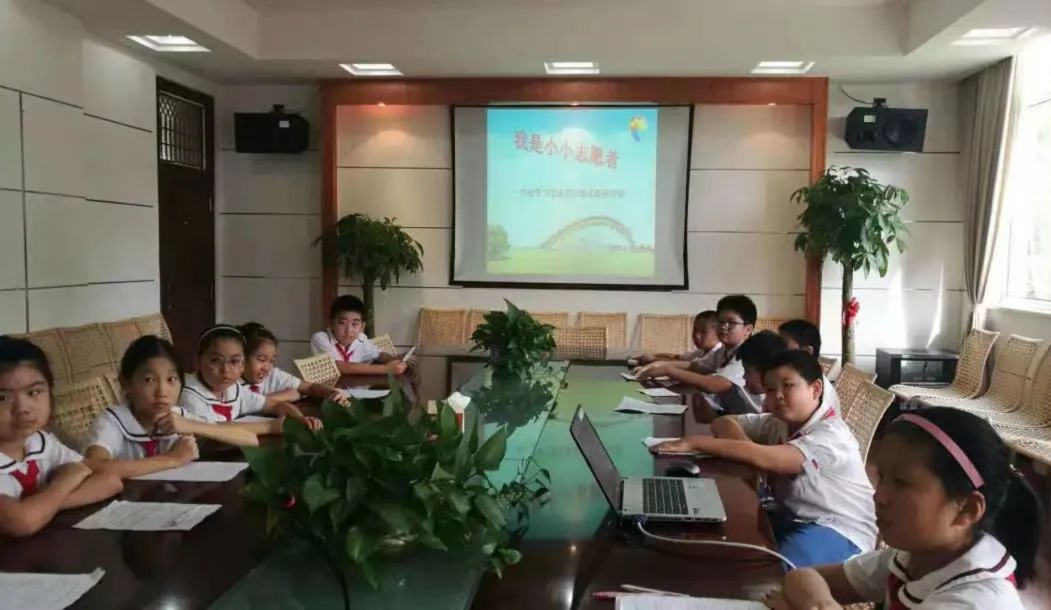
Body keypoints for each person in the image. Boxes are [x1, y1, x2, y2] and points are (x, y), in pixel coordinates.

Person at [769, 407, 1042, 610]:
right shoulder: (912, 557)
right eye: (881, 477)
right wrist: (820, 604)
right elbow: (802, 576)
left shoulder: (977, 602)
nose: (879, 496)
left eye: (901, 483)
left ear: (967, 509)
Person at [655, 350, 876, 568]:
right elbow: (723, 422)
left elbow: (769, 460)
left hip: (839, 529)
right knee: (723, 538)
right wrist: (748, 448)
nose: (778, 395)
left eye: (788, 385)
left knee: (775, 572)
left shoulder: (831, 436)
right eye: (770, 389)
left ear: (815, 389)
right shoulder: (778, 422)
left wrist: (694, 442)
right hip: (792, 517)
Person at [84, 336, 277, 480]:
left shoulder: (177, 416)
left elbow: (250, 439)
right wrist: (171, 459)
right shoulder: (112, 421)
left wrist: (192, 425)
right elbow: (93, 467)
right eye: (149, 380)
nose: (162, 392)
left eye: (171, 379)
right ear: (126, 383)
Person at [0, 336, 123, 537]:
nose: (23, 408)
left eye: (34, 392)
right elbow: (22, 522)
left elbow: (110, 481)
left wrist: (43, 505)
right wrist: (64, 482)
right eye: (2, 397)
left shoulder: (41, 443)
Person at [181, 325, 322, 430]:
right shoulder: (189, 393)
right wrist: (269, 426)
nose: (226, 370)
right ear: (197, 361)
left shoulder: (233, 389)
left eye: (234, 362)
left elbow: (274, 405)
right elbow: (211, 431)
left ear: (243, 365)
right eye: (215, 360)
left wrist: (300, 418)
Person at [636, 294, 757, 395]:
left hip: (750, 415)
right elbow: (693, 366)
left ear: (748, 329)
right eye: (721, 322)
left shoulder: (748, 353)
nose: (723, 327)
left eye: (731, 323)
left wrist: (668, 370)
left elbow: (715, 384)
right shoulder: (722, 351)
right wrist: (658, 365)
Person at [239, 322, 348, 406]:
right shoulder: (232, 383)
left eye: (272, 361)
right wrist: (283, 396)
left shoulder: (272, 375)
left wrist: (331, 392)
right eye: (261, 360)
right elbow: (246, 406)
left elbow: (309, 387)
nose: (267, 368)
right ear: (242, 357)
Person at [310, 295, 408, 376]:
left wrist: (396, 361)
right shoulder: (321, 338)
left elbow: (379, 354)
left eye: (355, 324)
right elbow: (340, 366)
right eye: (342, 323)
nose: (348, 330)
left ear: (362, 327)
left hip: (352, 388)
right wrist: (386, 369)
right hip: (325, 390)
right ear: (330, 323)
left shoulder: (361, 339)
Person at [778, 319, 840, 412]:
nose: (776, 350)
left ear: (807, 352)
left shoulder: (812, 391)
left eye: (782, 345)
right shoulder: (800, 377)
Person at [637, 310, 720, 366]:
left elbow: (683, 364)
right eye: (695, 330)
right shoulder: (701, 351)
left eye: (703, 332)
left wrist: (654, 359)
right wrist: (655, 354)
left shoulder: (716, 354)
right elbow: (677, 357)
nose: (697, 336)